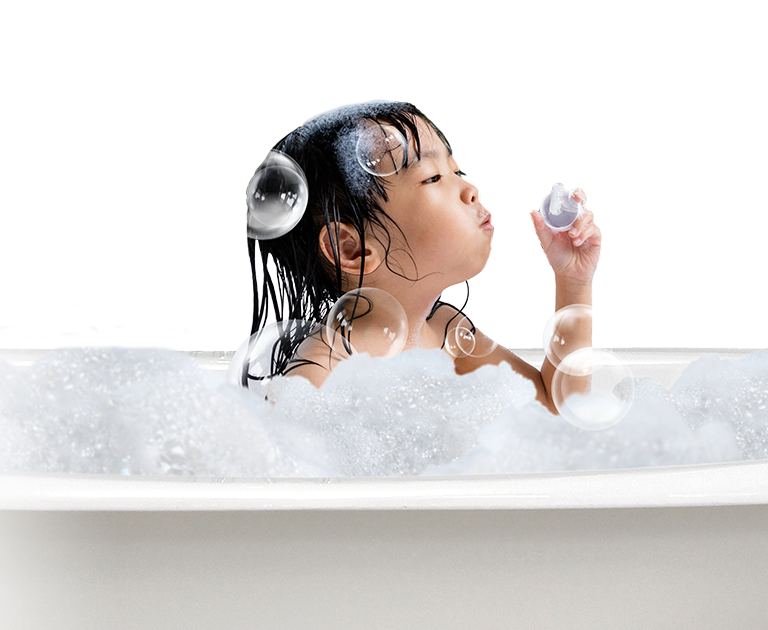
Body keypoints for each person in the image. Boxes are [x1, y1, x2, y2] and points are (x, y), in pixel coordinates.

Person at [245, 99, 602, 414]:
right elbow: (295, 478)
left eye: (456, 171)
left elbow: (558, 409)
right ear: (352, 249)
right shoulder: (324, 367)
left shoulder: (448, 333)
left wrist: (573, 283)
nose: (471, 190)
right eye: (433, 177)